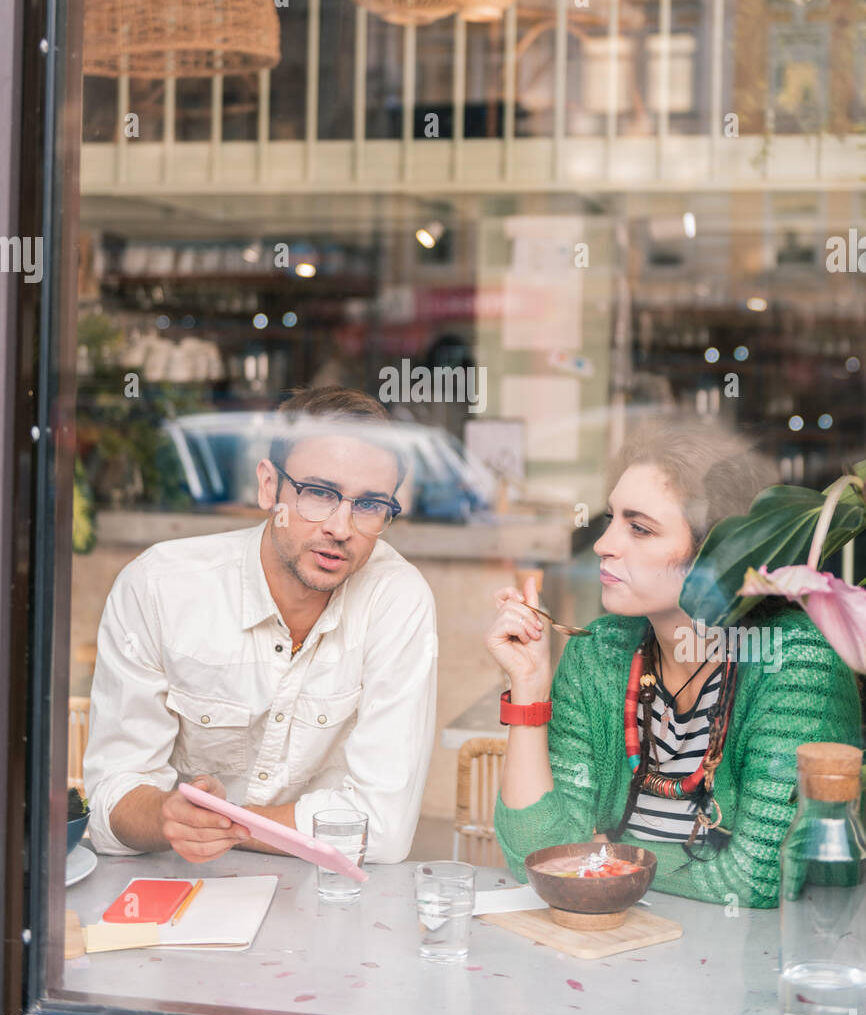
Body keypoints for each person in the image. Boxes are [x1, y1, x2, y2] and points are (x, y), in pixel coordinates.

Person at [487, 419, 862, 908]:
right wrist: (529, 690)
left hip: (753, 966)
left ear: (716, 553)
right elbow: (537, 857)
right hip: (612, 954)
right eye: (611, 520)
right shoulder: (600, 651)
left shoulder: (794, 661)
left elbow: (759, 876)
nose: (604, 545)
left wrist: (605, 857)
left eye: (639, 528)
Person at [84, 386, 438, 864]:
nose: (341, 526)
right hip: (182, 885)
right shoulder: (159, 586)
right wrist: (169, 816)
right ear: (269, 486)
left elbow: (383, 829)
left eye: (370, 504)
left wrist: (229, 822)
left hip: (329, 900)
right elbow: (112, 797)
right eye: (319, 493)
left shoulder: (397, 600)